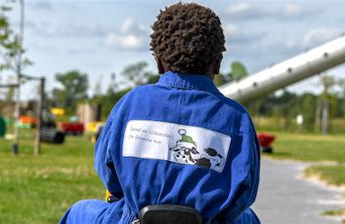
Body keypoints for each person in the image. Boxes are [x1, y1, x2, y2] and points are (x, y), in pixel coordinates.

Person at [60, 2, 260, 224]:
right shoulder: (237, 118)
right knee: (249, 218)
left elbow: (109, 176)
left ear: (158, 62)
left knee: (79, 212)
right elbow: (245, 194)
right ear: (218, 63)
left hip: (135, 221)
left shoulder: (131, 104)